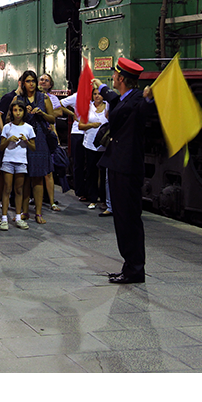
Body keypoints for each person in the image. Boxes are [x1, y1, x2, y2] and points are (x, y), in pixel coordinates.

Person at [92, 57, 156, 284]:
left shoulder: (139, 99)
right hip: (118, 165)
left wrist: (150, 100)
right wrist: (99, 86)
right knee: (121, 218)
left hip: (127, 168)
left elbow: (145, 111)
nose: (113, 77)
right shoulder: (123, 97)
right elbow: (113, 98)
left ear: (120, 78)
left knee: (128, 219)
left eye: (114, 75)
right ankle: (129, 266)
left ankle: (135, 269)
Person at [17, 70, 55, 224]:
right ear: (23, 83)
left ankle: (38, 213)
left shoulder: (43, 98)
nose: (31, 84)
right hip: (24, 139)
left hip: (40, 139)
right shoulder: (19, 98)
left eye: (33, 81)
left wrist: (42, 114)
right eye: (28, 81)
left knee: (38, 177)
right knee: (25, 177)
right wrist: (22, 113)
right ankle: (25, 211)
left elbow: (52, 118)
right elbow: (11, 118)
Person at [0, 99, 36, 230]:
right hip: (8, 161)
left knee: (19, 190)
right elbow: (1, 147)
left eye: (20, 110)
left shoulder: (28, 128)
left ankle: (18, 217)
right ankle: (4, 218)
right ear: (11, 112)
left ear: (24, 112)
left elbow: (33, 147)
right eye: (15, 110)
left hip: (21, 162)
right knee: (7, 189)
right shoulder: (7, 127)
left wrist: (26, 140)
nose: (17, 113)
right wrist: (8, 140)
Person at [79, 88, 108, 211]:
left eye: (99, 94)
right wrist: (91, 125)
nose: (97, 96)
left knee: (104, 174)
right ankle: (92, 198)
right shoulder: (87, 107)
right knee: (91, 172)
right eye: (95, 94)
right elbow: (80, 125)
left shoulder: (108, 107)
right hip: (90, 144)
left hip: (104, 146)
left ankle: (104, 200)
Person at [38, 74, 62, 212]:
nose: (43, 82)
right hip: (37, 135)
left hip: (48, 135)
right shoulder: (35, 97)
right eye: (41, 80)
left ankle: (51, 201)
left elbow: (56, 113)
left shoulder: (51, 98)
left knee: (49, 171)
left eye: (46, 80)